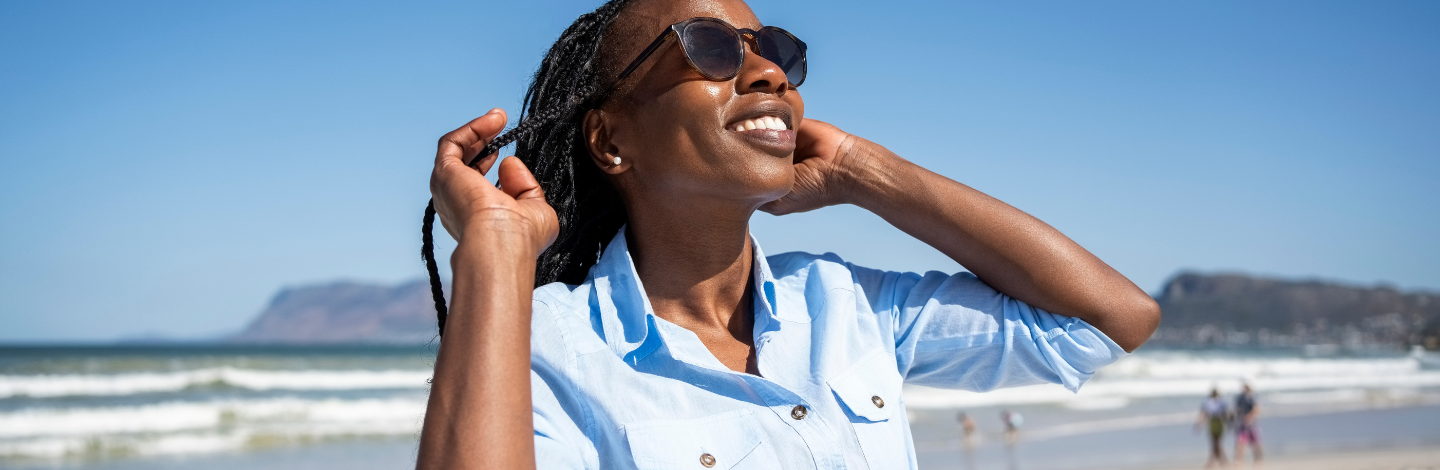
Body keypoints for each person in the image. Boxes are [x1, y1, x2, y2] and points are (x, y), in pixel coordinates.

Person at [414, 0, 1162, 468]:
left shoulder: (844, 305)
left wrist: (867, 173)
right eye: (711, 47)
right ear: (612, 141)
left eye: (774, 48)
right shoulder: (549, 349)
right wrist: (493, 253)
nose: (770, 72)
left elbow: (1107, 321)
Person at [1197, 389, 1229, 468]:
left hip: (1217, 422)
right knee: (1216, 443)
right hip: (1215, 422)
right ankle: (1222, 461)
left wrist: (1200, 423)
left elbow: (1204, 414)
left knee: (1216, 443)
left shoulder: (1218, 402)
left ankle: (1215, 461)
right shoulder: (1215, 402)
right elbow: (1205, 414)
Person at [1234, 384, 1263, 466]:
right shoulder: (1240, 398)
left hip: (1253, 424)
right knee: (1241, 442)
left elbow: (1257, 409)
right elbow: (1237, 409)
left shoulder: (1253, 397)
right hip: (1242, 424)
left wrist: (1250, 416)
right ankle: (1239, 460)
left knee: (1256, 443)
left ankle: (1259, 460)